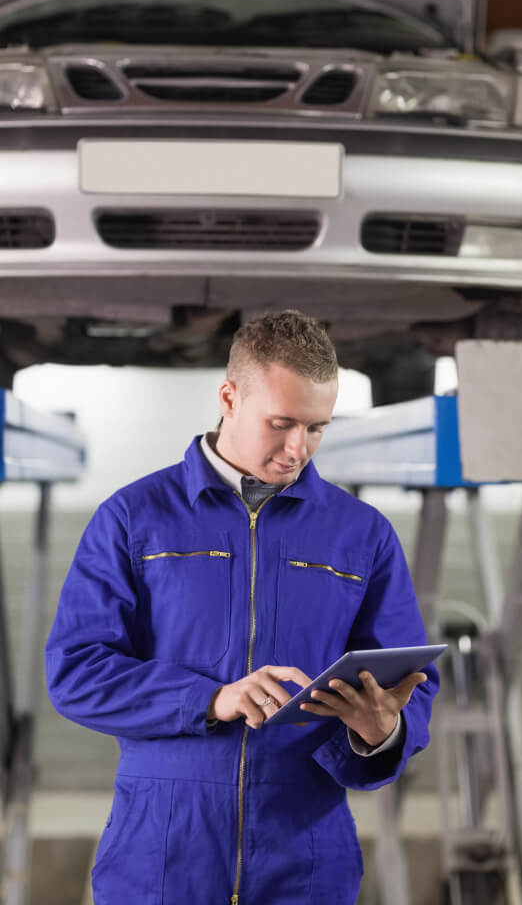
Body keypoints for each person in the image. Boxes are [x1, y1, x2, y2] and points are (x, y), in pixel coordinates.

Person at [45, 310, 439, 905]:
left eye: (317, 428)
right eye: (281, 423)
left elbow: (411, 684)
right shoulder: (134, 518)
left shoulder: (362, 534)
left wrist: (381, 732)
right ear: (229, 397)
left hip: (306, 860)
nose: (297, 449)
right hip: (161, 855)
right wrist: (211, 699)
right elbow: (76, 672)